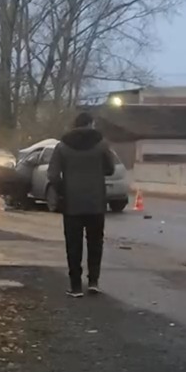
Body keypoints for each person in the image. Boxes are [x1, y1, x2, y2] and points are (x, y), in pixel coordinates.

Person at [47, 112, 116, 298]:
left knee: (73, 244)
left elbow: (52, 175)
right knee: (95, 242)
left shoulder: (62, 146)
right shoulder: (101, 145)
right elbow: (110, 169)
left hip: (71, 203)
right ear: (91, 124)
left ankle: (75, 286)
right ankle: (93, 281)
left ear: (74, 125)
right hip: (96, 202)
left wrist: (62, 189)